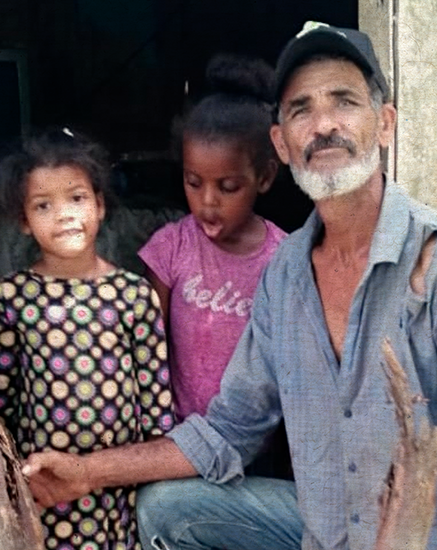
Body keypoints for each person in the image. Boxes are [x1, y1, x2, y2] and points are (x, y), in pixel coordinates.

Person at [22, 23, 437, 550]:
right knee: (167, 510)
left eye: (344, 101)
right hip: (326, 535)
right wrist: (86, 472)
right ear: (282, 144)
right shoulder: (287, 273)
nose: (324, 125)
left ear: (385, 124)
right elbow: (228, 430)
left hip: (429, 541)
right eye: (300, 109)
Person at [0, 126, 176, 550]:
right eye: (43, 205)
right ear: (24, 220)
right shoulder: (13, 296)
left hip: (119, 489)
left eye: (76, 198)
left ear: (100, 205)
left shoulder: (133, 294)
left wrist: (153, 480)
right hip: (47, 487)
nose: (64, 214)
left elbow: (156, 402)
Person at [138, 53, 286, 425]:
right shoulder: (170, 248)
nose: (207, 202)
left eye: (228, 187)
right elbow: (146, 349)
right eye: (193, 182)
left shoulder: (283, 258)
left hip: (255, 438)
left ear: (265, 178)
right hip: (178, 435)